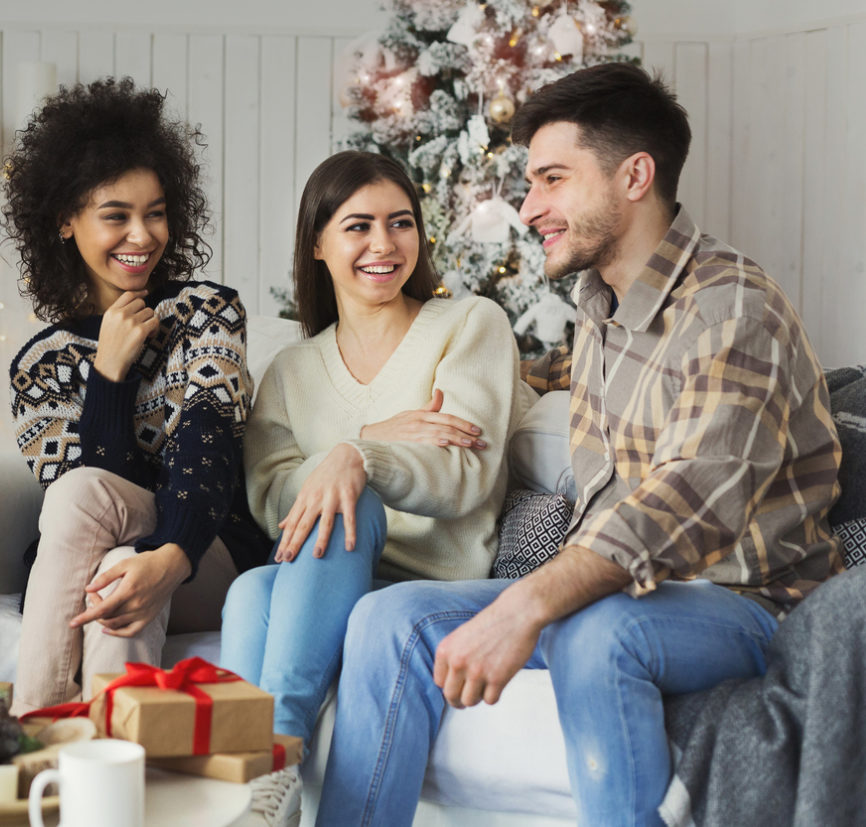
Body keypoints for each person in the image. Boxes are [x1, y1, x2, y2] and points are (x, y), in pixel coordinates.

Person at [317, 63, 844, 827]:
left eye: (552, 179)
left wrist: (527, 602)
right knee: (387, 619)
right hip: (632, 591)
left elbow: (685, 498)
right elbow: (600, 497)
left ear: (634, 175)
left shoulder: (733, 309)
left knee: (598, 634)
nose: (530, 206)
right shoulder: (598, 308)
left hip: (750, 604)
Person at [220, 150, 532, 825]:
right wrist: (364, 439)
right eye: (358, 226)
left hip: (432, 581)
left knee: (348, 493)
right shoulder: (291, 369)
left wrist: (358, 455)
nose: (384, 244)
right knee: (250, 586)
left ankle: (273, 757)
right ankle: (247, 788)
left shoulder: (469, 324)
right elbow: (272, 499)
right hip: (329, 575)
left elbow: (465, 475)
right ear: (318, 244)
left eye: (401, 223)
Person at [3, 77, 269, 715]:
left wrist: (170, 555)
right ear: (66, 223)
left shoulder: (205, 312)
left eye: (155, 213)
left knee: (123, 554)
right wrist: (109, 376)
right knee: (110, 550)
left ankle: (23, 735)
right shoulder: (41, 366)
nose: (142, 236)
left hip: (210, 550)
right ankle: (107, 774)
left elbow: (210, 449)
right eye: (116, 216)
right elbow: (93, 501)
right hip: (111, 552)